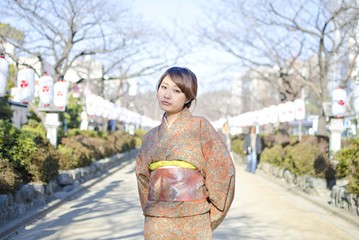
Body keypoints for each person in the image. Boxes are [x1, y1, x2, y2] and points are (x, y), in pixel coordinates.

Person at [135, 66, 235, 239]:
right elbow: (142, 177)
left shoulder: (200, 127)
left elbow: (222, 172)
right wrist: (151, 209)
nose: (166, 95)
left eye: (176, 90)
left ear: (188, 97)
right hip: (157, 220)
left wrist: (209, 215)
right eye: (163, 87)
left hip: (194, 219)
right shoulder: (150, 136)